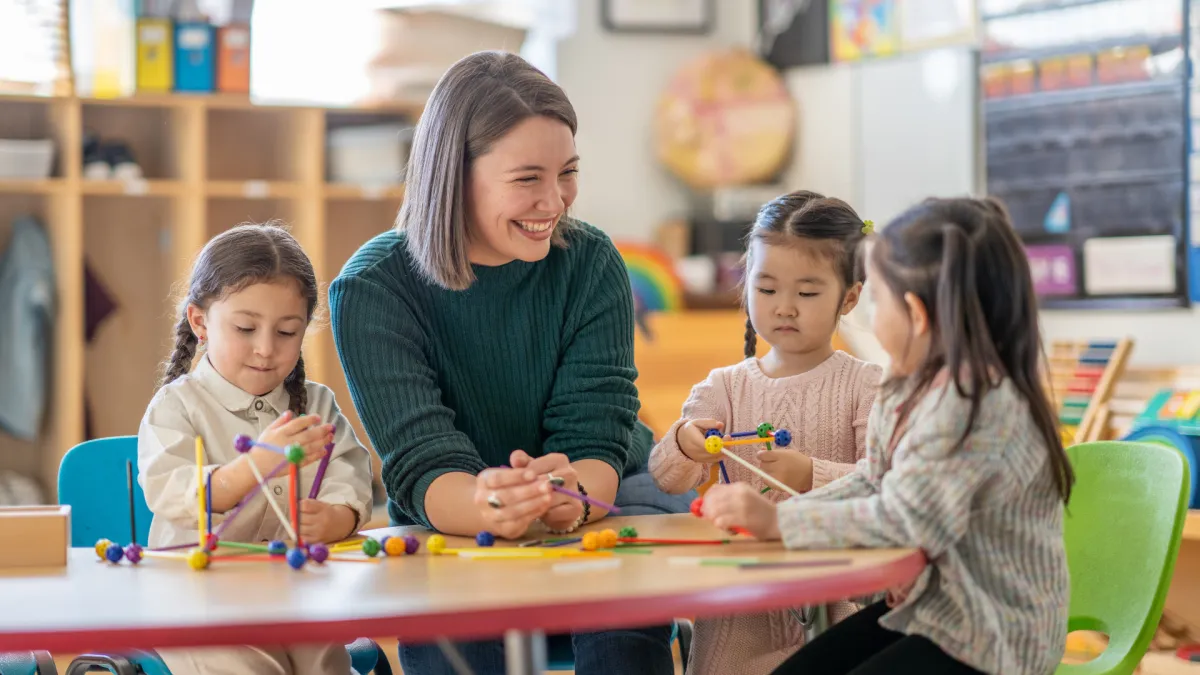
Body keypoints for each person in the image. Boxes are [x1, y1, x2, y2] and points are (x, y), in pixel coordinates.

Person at [328, 50, 689, 675]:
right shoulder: (373, 287)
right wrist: (493, 506)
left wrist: (570, 496)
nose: (555, 201)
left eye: (568, 172)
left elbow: (598, 433)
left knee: (624, 615)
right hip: (454, 516)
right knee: (458, 631)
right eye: (528, 179)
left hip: (604, 493)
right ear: (453, 176)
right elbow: (422, 461)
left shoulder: (590, 261)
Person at [699, 196, 1072, 675]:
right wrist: (783, 514)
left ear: (914, 314)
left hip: (992, 637)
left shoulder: (976, 404)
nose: (871, 316)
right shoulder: (907, 384)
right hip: (932, 611)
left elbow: (907, 522)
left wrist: (781, 526)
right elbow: (875, 480)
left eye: (878, 300)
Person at [649, 191, 882, 674]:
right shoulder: (724, 387)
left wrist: (809, 473)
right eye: (768, 289)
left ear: (850, 296)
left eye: (808, 292)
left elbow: (885, 486)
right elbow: (666, 477)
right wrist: (686, 443)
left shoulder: (866, 385)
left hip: (834, 612)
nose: (785, 308)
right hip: (738, 618)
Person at [138, 223, 374, 675]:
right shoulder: (177, 406)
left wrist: (337, 517)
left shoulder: (317, 403)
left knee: (325, 660)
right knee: (249, 668)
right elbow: (174, 492)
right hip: (194, 603)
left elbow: (350, 476)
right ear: (200, 321)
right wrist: (259, 463)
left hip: (292, 595)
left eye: (287, 332)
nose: (266, 349)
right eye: (246, 328)